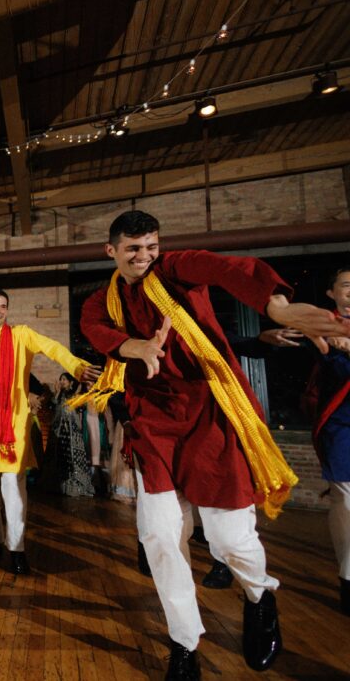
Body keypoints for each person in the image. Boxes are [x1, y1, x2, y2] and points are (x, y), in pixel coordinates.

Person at [76, 210, 350, 678]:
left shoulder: (175, 270)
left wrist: (277, 306)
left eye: (150, 247)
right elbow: (96, 330)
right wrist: (136, 347)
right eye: (132, 249)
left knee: (230, 540)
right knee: (161, 537)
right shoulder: (102, 300)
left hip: (209, 416)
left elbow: (228, 268)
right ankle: (184, 642)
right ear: (112, 251)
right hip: (154, 424)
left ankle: (260, 596)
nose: (144, 257)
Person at [0, 290, 99, 573]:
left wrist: (77, 366)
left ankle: (16, 549)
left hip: (14, 423)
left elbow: (53, 348)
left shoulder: (21, 336)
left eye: (3, 306)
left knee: (14, 487)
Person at [311, 267, 350, 615]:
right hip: (342, 425)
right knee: (346, 498)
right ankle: (348, 578)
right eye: (347, 286)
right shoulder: (325, 324)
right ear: (332, 293)